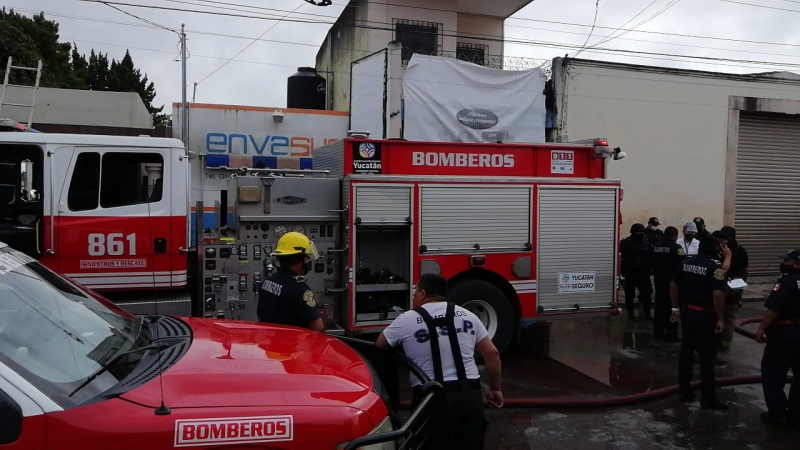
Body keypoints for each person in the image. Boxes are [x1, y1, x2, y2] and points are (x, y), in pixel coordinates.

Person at [376, 274, 503, 450]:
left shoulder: (406, 320)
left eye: (415, 293)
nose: (413, 297)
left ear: (422, 293)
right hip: (469, 396)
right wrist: (495, 389)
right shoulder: (468, 316)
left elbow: (380, 344)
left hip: (429, 398)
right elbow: (492, 352)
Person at [670, 234, 730, 410]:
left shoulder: (687, 262)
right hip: (706, 316)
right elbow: (718, 294)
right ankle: (708, 398)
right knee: (707, 357)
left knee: (686, 353)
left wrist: (675, 309)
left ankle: (684, 391)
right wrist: (720, 318)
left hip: (688, 312)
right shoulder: (715, 267)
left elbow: (673, 284)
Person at [753, 249, 800, 426]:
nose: (783, 264)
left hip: (784, 335)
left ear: (797, 263)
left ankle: (778, 413)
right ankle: (797, 415)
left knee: (773, 374)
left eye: (787, 261)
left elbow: (774, 309)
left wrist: (761, 329)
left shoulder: (785, 282)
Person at [256, 231, 325, 332]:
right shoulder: (299, 289)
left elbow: (260, 317)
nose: (308, 262)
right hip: (293, 345)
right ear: (298, 262)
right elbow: (318, 328)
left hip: (270, 343)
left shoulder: (266, 282)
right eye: (306, 258)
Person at [718, 226, 749, 352]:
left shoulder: (720, 249)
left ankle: (716, 339)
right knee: (730, 315)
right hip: (735, 285)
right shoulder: (741, 250)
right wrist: (741, 287)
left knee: (717, 313)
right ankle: (726, 342)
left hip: (721, 284)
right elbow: (744, 271)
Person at [651, 226, 685, 342]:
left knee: (659, 306)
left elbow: (651, 264)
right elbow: (682, 267)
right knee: (673, 307)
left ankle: (658, 331)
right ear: (675, 236)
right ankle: (671, 333)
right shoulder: (677, 248)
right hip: (672, 284)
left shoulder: (655, 247)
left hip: (658, 281)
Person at [620, 223, 654, 319]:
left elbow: (651, 257)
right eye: (638, 232)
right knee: (629, 296)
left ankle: (647, 313)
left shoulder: (647, 242)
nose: (640, 233)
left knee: (646, 295)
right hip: (630, 273)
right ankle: (630, 314)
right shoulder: (626, 242)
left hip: (644, 274)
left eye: (642, 232)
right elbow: (621, 257)